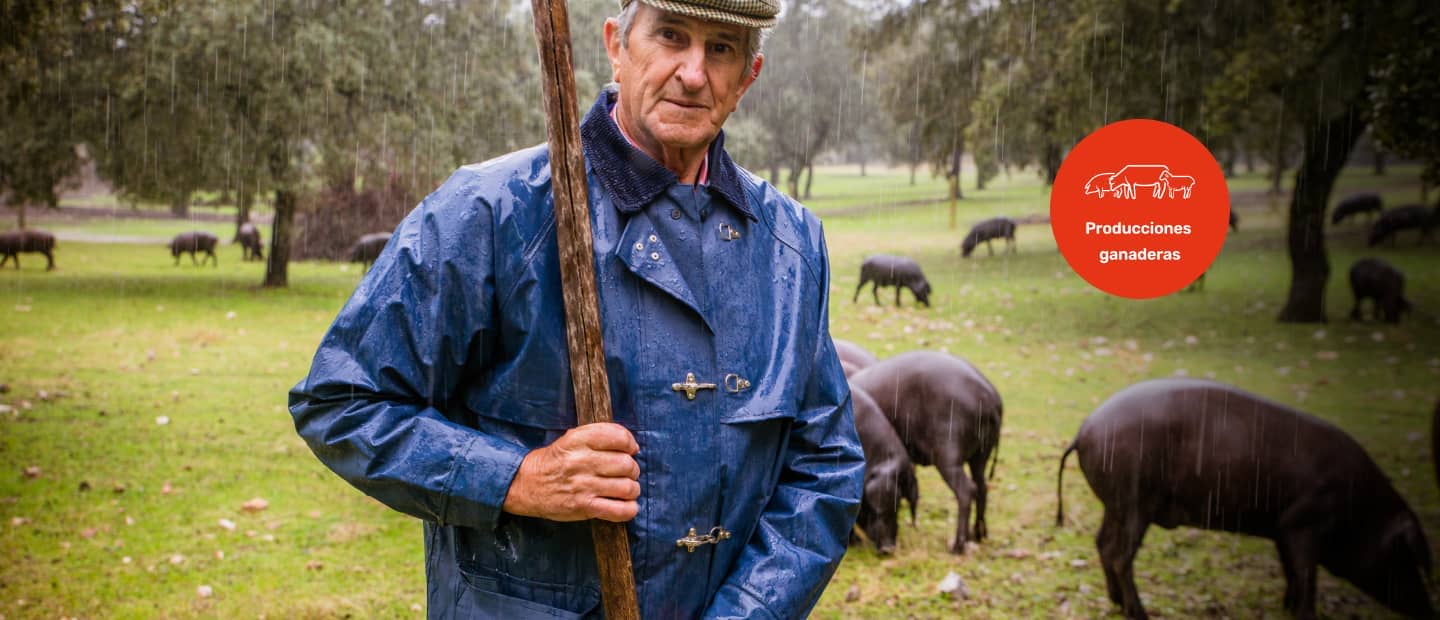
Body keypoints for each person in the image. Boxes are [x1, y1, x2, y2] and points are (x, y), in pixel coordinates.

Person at [288, 0, 864, 617]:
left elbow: (823, 467)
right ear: (616, 45)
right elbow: (342, 402)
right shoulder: (491, 213)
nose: (693, 73)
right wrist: (517, 477)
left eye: (720, 48)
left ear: (749, 76)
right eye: (671, 36)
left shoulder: (789, 244)